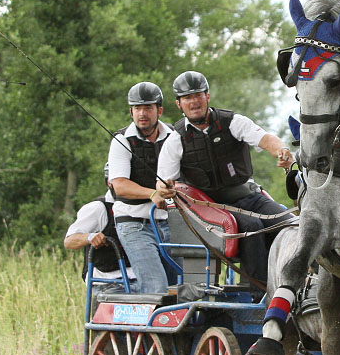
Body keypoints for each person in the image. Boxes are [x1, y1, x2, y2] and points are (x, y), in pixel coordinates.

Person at [156, 71, 295, 288]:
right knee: (252, 227)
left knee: (289, 224)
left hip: (249, 197)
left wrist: (282, 150)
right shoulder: (176, 139)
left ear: (207, 97)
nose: (194, 102)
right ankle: (258, 293)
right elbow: (163, 183)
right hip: (211, 208)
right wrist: (164, 190)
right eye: (187, 98)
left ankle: (298, 286)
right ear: (179, 104)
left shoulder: (232, 122)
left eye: (198, 95)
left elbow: (266, 139)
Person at [107, 81, 174, 293]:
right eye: (137, 108)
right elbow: (119, 186)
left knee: (188, 285)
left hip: (170, 223)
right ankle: (151, 325)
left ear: (159, 110)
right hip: (134, 223)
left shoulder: (174, 137)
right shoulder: (121, 140)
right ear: (131, 112)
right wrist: (152, 193)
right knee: (156, 286)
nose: (142, 113)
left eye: (148, 108)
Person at [63, 165, 136, 293]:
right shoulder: (98, 208)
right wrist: (90, 237)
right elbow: (69, 241)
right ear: (110, 182)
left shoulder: (141, 208)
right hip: (108, 282)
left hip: (141, 279)